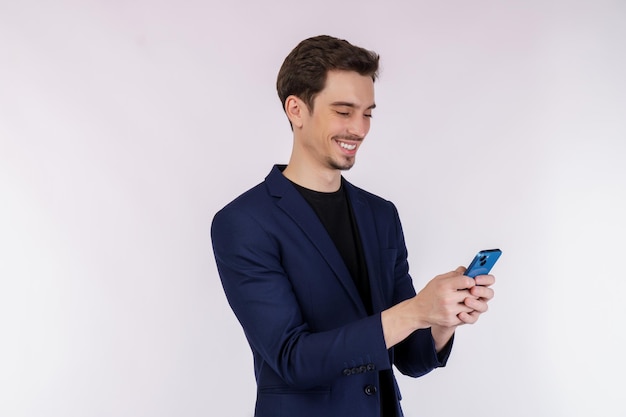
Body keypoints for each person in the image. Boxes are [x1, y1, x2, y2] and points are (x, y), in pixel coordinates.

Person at [211, 35, 496, 417]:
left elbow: (411, 359)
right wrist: (416, 310)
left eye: (368, 113)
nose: (359, 129)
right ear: (296, 109)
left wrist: (443, 319)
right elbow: (293, 360)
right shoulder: (243, 222)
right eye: (344, 111)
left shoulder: (380, 215)